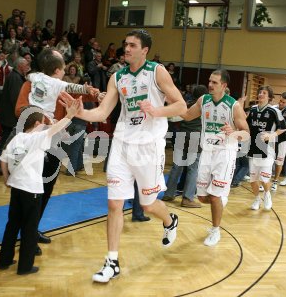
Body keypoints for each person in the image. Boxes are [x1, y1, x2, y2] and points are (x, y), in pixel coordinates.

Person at [60, 29, 186, 283]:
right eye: (125, 44)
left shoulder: (157, 71)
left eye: (132, 45)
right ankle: (112, 261)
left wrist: (156, 110)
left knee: (148, 204)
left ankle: (169, 219)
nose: (126, 48)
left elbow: (181, 107)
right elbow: (102, 112)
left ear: (144, 50)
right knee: (114, 203)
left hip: (149, 146)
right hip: (121, 143)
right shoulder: (117, 77)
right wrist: (79, 113)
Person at [15, 48, 99, 251]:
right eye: (62, 65)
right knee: (31, 192)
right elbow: (20, 109)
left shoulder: (59, 86)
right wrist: (44, 119)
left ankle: (32, 229)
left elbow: (80, 96)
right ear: (57, 69)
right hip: (34, 144)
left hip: (54, 144)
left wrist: (95, 93)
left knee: (46, 190)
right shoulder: (31, 84)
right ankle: (26, 235)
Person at [0, 100, 80, 275]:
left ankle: (4, 260)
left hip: (16, 188)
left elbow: (3, 160)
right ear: (36, 124)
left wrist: (7, 179)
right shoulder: (36, 137)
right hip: (31, 190)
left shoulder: (17, 138)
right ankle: (25, 266)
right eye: (42, 122)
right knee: (29, 228)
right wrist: (70, 114)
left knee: (12, 225)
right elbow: (55, 129)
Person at [180, 69, 249, 246]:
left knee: (215, 196)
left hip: (225, 154)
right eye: (210, 81)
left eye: (215, 82)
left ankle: (216, 230)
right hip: (207, 152)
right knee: (203, 198)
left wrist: (234, 132)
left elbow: (246, 133)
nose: (210, 85)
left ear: (224, 86)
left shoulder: (233, 106)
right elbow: (187, 115)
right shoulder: (203, 100)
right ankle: (221, 195)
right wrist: (169, 105)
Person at [162, 84, 207, 208]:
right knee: (193, 168)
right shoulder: (204, 106)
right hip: (194, 136)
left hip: (182, 135)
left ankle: (169, 193)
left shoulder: (186, 103)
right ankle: (187, 198)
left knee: (177, 166)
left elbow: (173, 118)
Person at [246, 86, 286, 211]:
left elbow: (283, 127)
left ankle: (267, 194)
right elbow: (245, 126)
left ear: (269, 97)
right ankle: (257, 198)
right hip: (253, 147)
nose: (261, 94)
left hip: (267, 149)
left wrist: (271, 135)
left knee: (264, 178)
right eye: (260, 92)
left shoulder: (274, 111)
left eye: (264, 93)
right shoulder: (252, 110)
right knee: (253, 179)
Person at [271, 92, 286, 191]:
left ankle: (275, 181)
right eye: (280, 101)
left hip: (283, 139)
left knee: (279, 161)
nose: (281, 103)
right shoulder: (273, 108)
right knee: (268, 160)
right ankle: (265, 181)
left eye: (283, 102)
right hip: (272, 137)